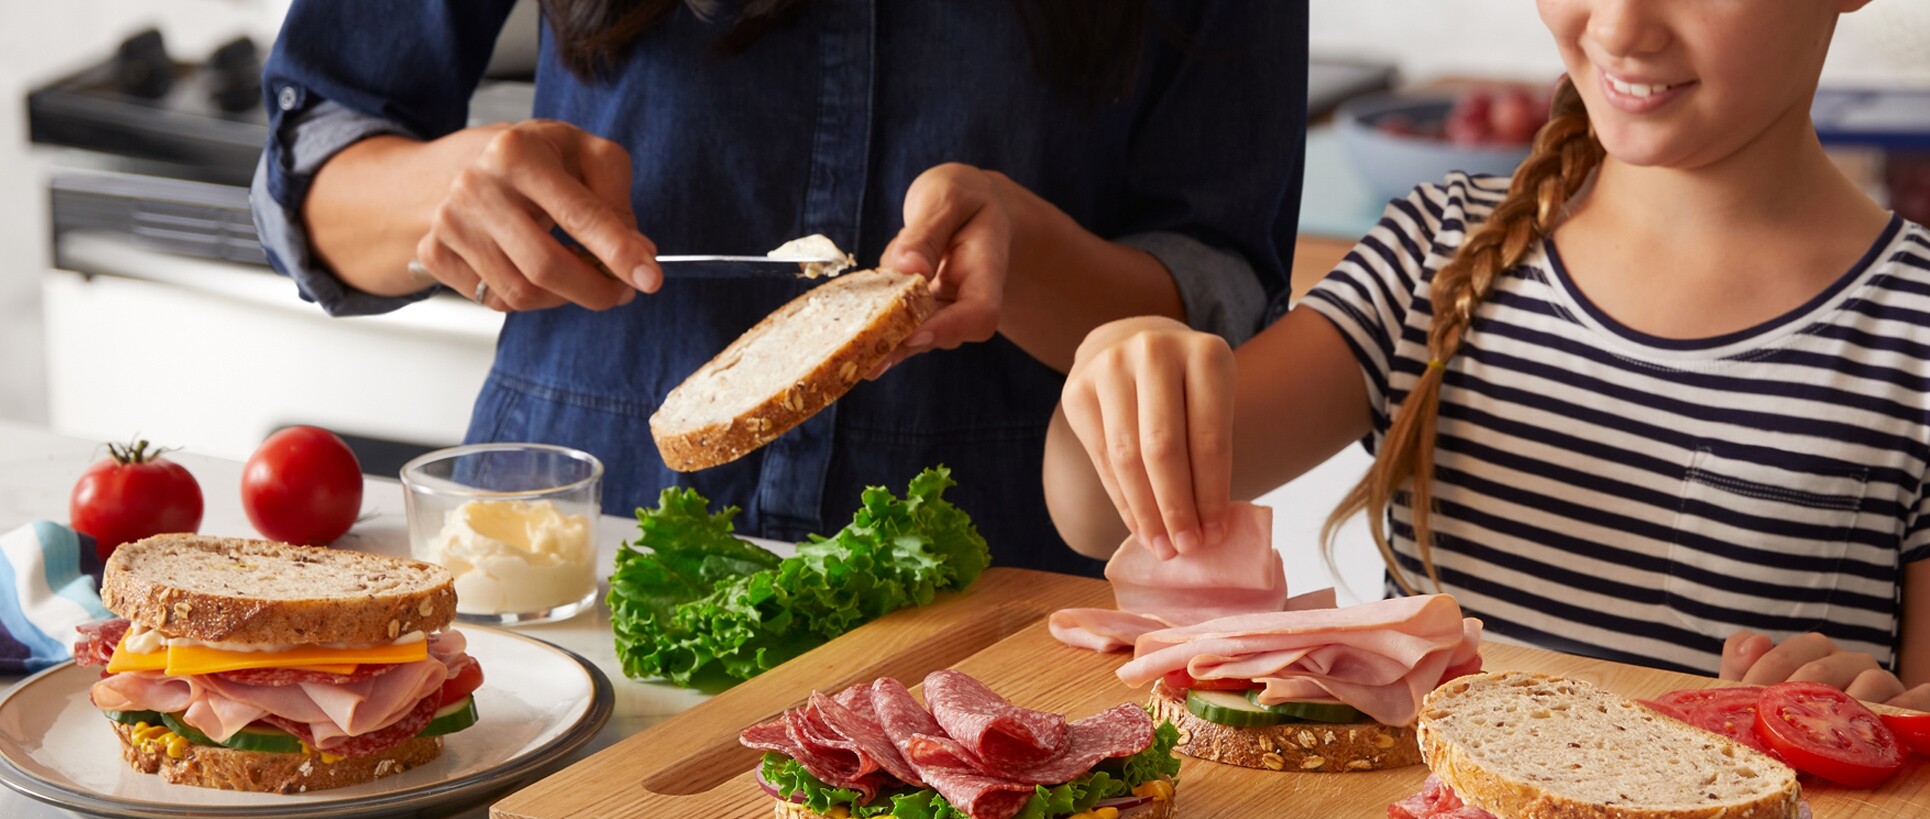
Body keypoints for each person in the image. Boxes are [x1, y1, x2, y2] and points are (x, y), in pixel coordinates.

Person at [1042, 0, 1930, 717]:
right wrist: (1122, 365)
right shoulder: (1433, 252)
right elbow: (1097, 511)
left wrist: (1884, 723)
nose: (1621, 24)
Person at [251, 0, 1305, 574]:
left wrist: (1033, 260)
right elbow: (316, 158)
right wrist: (443, 189)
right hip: (580, 556)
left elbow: (1216, 295)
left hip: (996, 587)